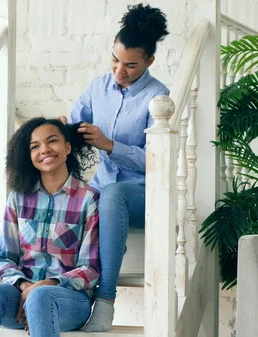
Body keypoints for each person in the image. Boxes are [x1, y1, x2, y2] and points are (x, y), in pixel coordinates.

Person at [59, 3, 170, 332]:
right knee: (70, 200)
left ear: (149, 61)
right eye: (115, 60)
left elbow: (157, 160)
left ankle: (105, 301)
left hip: (143, 192)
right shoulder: (97, 88)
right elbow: (76, 126)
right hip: (105, 189)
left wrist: (109, 144)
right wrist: (62, 129)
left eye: (130, 65)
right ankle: (62, 294)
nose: (119, 71)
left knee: (112, 197)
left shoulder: (158, 97)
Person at [0, 118, 100, 337]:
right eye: (35, 146)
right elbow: (4, 259)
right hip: (22, 296)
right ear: (28, 156)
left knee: (41, 297)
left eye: (52, 141)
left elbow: (91, 267)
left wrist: (44, 285)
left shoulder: (89, 199)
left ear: (68, 147)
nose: (44, 149)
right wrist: (24, 286)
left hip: (69, 300)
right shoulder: (18, 198)